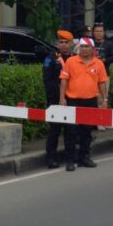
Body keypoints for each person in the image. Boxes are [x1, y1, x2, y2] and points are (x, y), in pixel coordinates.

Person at [58, 36, 109, 171]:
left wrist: (104, 99)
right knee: (71, 131)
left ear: (92, 49)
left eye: (87, 47)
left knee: (86, 132)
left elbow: (102, 82)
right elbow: (64, 81)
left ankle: (84, 157)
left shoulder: (98, 63)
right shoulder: (71, 61)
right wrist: (62, 98)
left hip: (90, 101)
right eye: (82, 47)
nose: (84, 49)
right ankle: (69, 160)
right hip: (73, 101)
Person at [42, 30, 75, 168]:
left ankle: (69, 158)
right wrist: (59, 96)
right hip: (55, 100)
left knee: (71, 131)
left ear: (71, 44)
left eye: (66, 42)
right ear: (57, 43)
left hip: (73, 99)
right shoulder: (51, 58)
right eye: (61, 42)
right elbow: (47, 81)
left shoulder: (75, 59)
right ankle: (51, 158)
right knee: (54, 130)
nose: (63, 45)